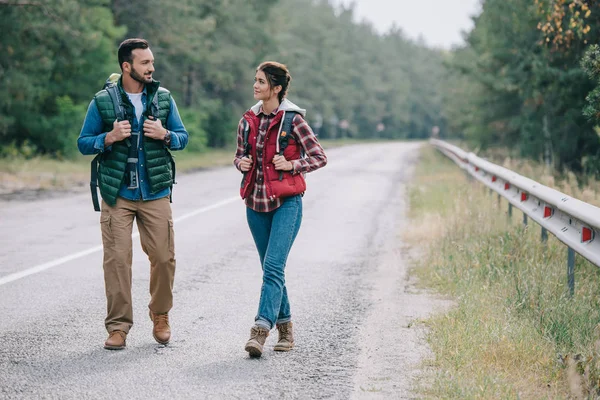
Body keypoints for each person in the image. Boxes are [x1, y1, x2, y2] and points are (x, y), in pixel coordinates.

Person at [77, 38, 188, 350]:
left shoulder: (164, 99)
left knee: (164, 258)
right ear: (126, 67)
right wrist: (107, 138)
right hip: (117, 193)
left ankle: (160, 314)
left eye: (151, 62)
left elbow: (183, 136)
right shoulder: (102, 101)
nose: (151, 68)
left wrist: (166, 135)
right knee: (117, 261)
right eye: (145, 63)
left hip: (155, 192)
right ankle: (118, 327)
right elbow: (83, 142)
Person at [233, 61, 327, 357]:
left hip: (287, 203)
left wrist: (293, 164)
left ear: (276, 88)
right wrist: (241, 163)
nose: (255, 85)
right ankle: (285, 328)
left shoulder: (293, 120)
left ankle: (260, 330)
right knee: (271, 269)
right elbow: (238, 155)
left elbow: (319, 156)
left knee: (273, 267)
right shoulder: (247, 119)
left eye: (261, 81)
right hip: (255, 204)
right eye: (255, 80)